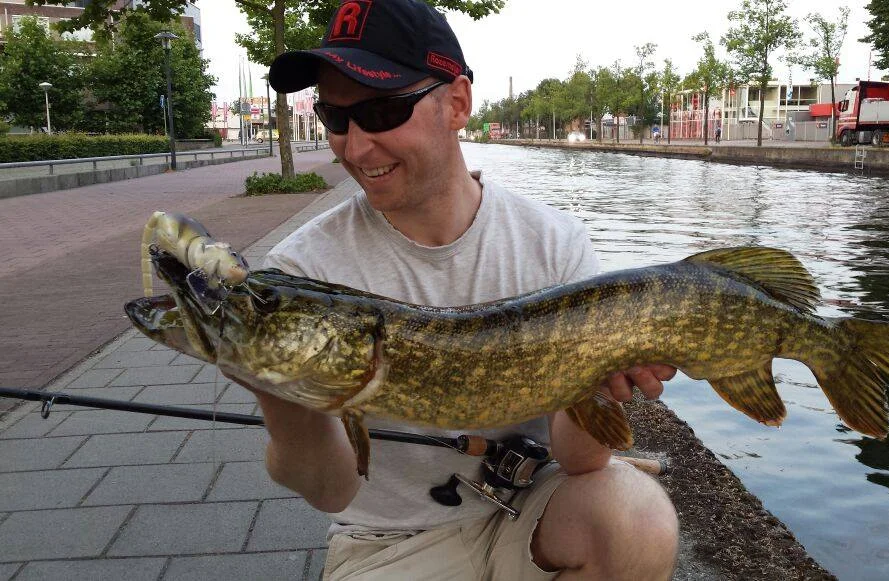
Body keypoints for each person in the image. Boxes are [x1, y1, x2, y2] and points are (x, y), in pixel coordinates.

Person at [248, 1, 680, 579]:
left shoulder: (553, 243)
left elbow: (582, 461)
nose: (354, 147)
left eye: (379, 111)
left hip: (533, 511)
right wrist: (276, 386)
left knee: (638, 517)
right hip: (388, 542)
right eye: (335, 118)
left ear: (456, 104)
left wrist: (607, 377)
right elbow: (329, 492)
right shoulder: (302, 270)